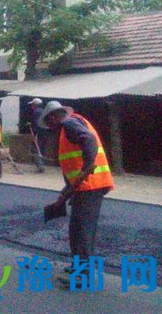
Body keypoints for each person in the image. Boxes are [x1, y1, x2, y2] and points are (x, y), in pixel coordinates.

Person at [39, 101, 114, 280]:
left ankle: (82, 276)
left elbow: (89, 139)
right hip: (83, 185)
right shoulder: (68, 127)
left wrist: (88, 165)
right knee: (76, 228)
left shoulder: (70, 124)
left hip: (91, 184)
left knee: (83, 229)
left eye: (48, 124)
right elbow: (73, 164)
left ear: (52, 118)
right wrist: (66, 190)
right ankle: (78, 266)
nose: (50, 129)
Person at [28, 98, 47, 173]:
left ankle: (40, 166)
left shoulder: (36, 112)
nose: (31, 106)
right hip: (44, 134)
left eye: (32, 104)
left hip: (39, 134)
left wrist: (35, 135)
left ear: (35, 105)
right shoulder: (43, 111)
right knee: (41, 149)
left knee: (36, 149)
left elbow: (37, 124)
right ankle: (42, 165)